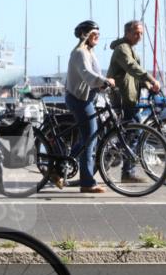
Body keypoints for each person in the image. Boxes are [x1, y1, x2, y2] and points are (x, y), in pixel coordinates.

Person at [65, 21, 115, 193]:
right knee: (90, 141)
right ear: (85, 35)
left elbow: (95, 75)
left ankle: (60, 168)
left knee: (88, 137)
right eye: (94, 34)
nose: (97, 37)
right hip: (79, 100)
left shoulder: (89, 52)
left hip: (86, 99)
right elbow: (87, 74)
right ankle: (87, 183)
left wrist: (103, 83)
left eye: (98, 35)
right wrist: (104, 81)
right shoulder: (80, 53)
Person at [108, 20, 161, 182]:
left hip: (129, 98)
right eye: (137, 33)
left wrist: (146, 85)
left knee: (132, 133)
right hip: (123, 99)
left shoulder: (130, 49)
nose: (140, 36)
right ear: (128, 33)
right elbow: (132, 68)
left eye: (141, 34)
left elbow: (133, 76)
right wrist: (152, 80)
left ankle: (116, 156)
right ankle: (125, 169)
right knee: (135, 132)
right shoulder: (122, 49)